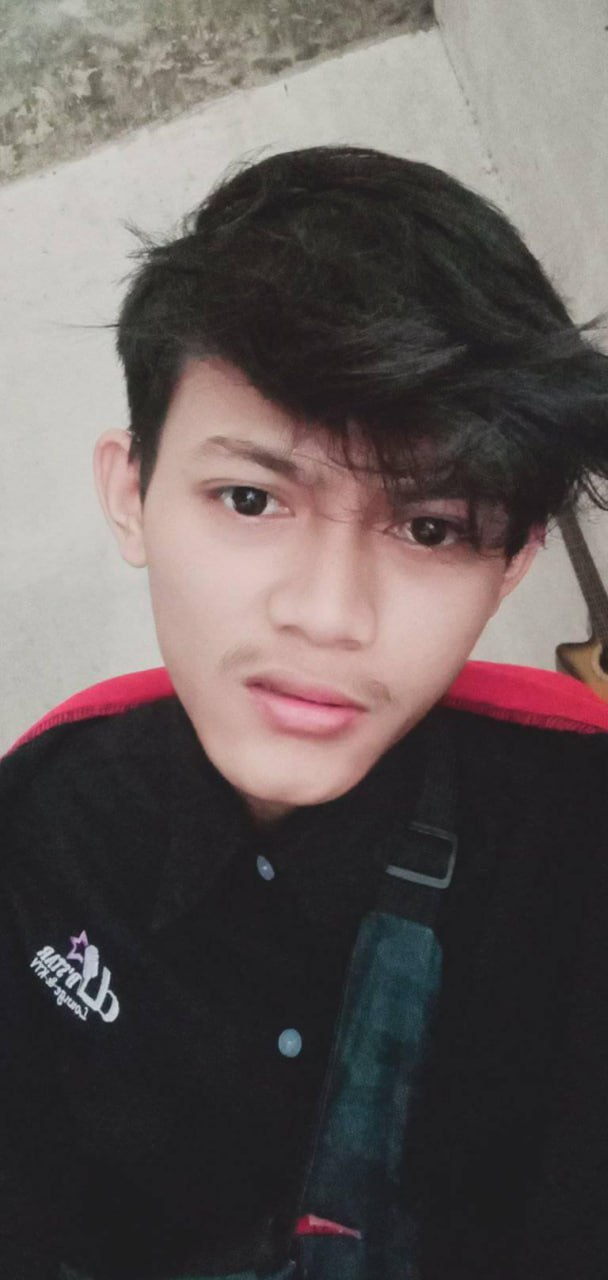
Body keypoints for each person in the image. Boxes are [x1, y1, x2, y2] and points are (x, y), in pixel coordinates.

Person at [2, 145, 608, 1280]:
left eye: (429, 528)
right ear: (131, 495)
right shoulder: (40, 827)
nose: (328, 615)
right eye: (249, 498)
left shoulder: (576, 849)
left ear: (514, 564)